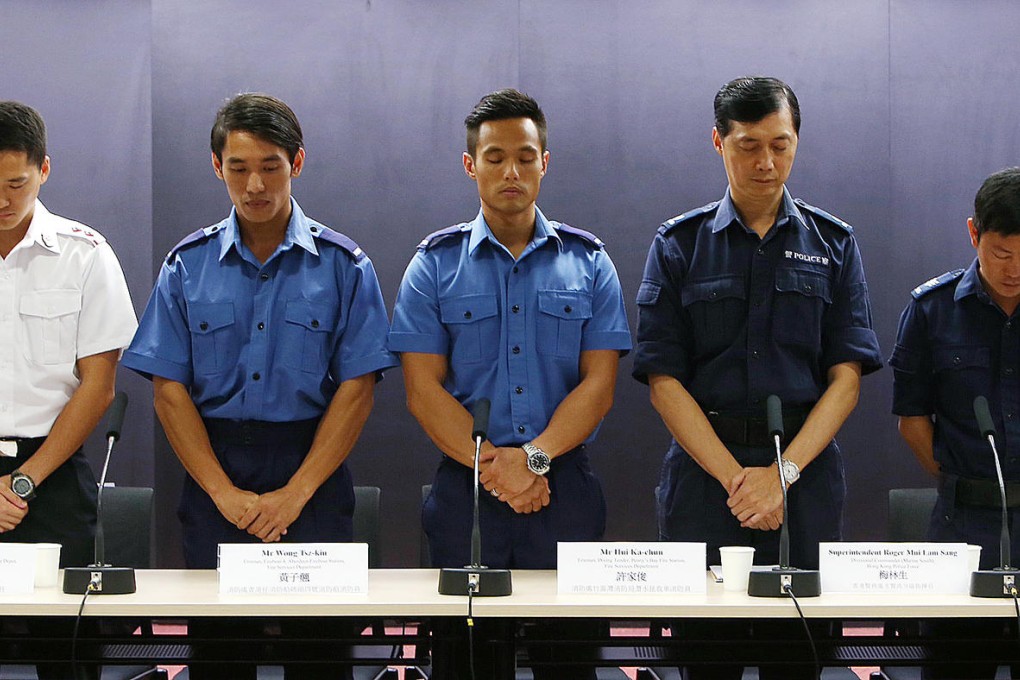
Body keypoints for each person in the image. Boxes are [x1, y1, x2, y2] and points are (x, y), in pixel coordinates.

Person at [122, 93, 396, 679]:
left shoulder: (344, 265)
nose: (255, 185)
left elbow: (358, 390)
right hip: (215, 469)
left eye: (270, 166)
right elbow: (169, 391)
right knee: (221, 658)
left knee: (320, 658)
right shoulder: (185, 265)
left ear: (297, 163)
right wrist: (223, 493)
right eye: (239, 168)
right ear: (217, 166)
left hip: (312, 471)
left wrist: (295, 494)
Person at [632, 76, 882, 680]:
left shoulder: (835, 243)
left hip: (804, 475)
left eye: (781, 143)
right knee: (702, 659)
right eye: (748, 145)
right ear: (718, 142)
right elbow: (664, 379)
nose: (766, 162)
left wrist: (783, 476)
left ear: (796, 142)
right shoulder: (678, 245)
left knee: (797, 660)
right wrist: (739, 481)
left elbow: (846, 378)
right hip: (705, 479)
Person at [389, 88, 632, 680]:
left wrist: (537, 460)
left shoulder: (590, 262)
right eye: (494, 157)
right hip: (467, 488)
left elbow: (598, 386)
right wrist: (499, 470)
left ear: (545, 162)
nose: (511, 171)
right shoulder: (434, 264)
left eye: (526, 156)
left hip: (564, 490)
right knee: (464, 662)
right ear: (471, 165)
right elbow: (423, 392)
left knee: (568, 664)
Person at [0, 100, 137, 680]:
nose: (2, 200)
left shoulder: (85, 254)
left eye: (15, 183)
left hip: (51, 476)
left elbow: (99, 386)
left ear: (45, 170)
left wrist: (24, 480)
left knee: (68, 651)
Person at [891, 167, 1020, 679]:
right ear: (974, 234)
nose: (1015, 270)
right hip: (963, 525)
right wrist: (960, 478)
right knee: (955, 667)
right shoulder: (932, 310)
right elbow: (913, 421)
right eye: (1002, 254)